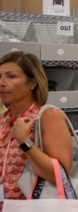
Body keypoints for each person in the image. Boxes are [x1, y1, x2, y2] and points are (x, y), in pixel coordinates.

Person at [1, 51, 72, 200]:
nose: (2, 82)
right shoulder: (4, 119)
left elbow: (59, 175)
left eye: (11, 76)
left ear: (33, 83)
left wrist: (24, 142)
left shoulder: (48, 117)